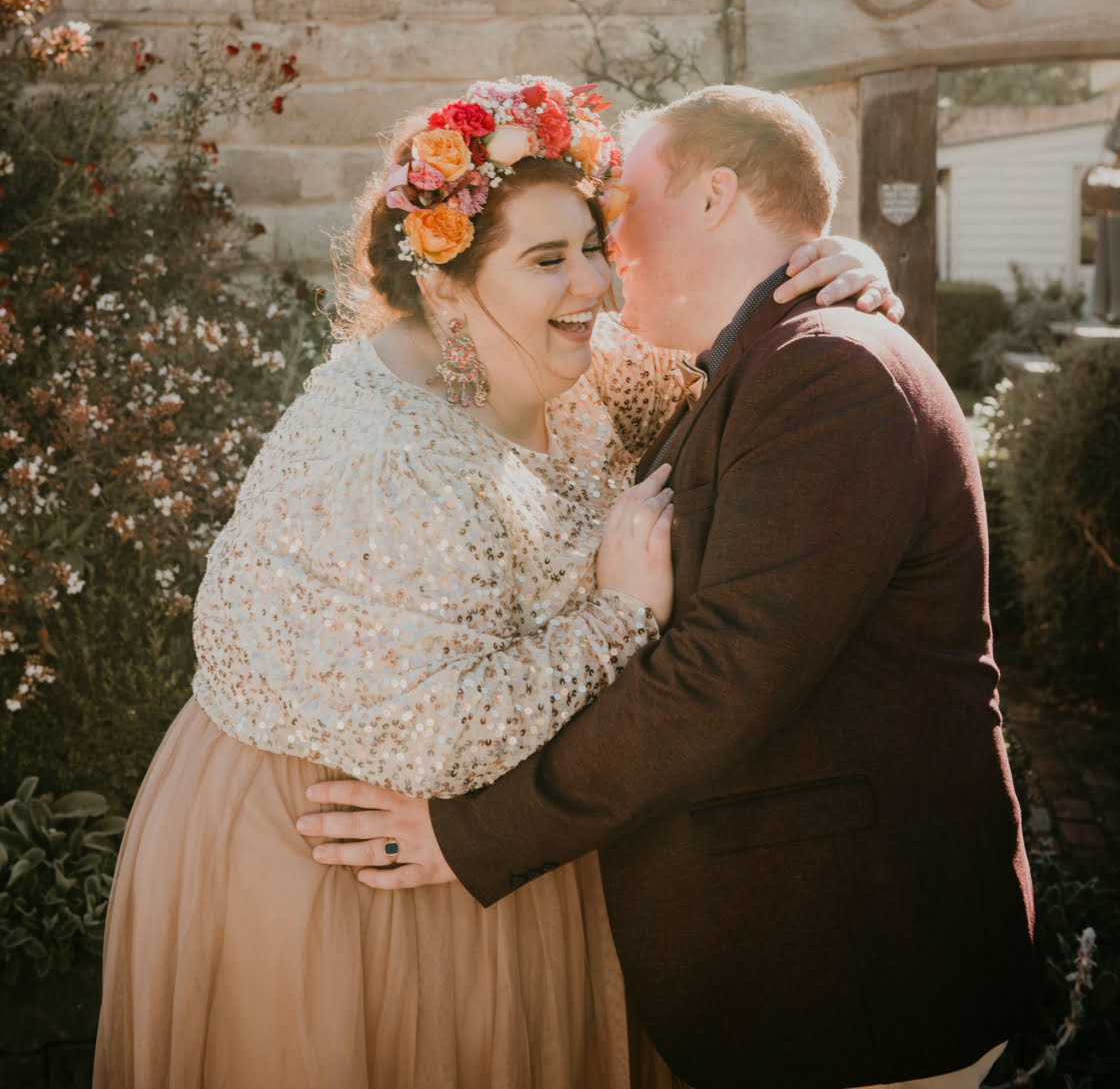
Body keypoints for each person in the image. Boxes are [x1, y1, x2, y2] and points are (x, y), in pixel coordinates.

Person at [94, 76, 896, 1089]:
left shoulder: (575, 361)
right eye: (547, 259)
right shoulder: (389, 462)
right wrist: (619, 618)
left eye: (594, 245)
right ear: (445, 283)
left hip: (499, 834)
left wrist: (829, 266)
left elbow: (733, 374)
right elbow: (442, 738)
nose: (594, 284)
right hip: (348, 848)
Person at [302, 85, 1039, 1089]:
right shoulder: (759, 359)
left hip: (856, 970)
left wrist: (467, 837)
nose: (607, 237)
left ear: (714, 196)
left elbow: (725, 671)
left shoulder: (828, 370)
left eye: (621, 203)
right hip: (803, 962)